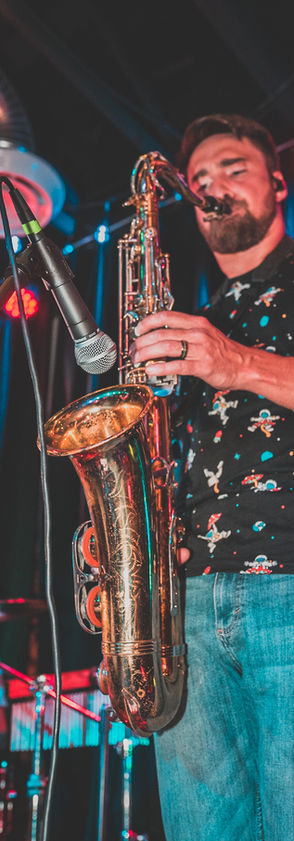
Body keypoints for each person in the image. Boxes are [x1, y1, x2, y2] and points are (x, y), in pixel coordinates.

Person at [130, 114, 294, 841]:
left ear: (278, 182)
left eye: (232, 167)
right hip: (188, 610)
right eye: (198, 181)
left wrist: (240, 364)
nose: (211, 189)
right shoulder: (198, 317)